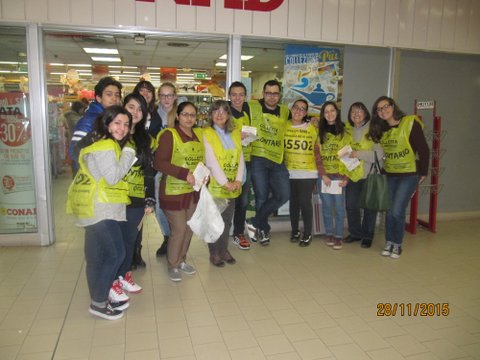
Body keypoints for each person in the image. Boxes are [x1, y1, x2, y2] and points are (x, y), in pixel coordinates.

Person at [66, 105, 135, 320]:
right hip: (100, 210)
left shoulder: (96, 144)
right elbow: (113, 176)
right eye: (117, 123)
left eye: (125, 124)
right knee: (116, 254)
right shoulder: (106, 145)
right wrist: (129, 154)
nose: (122, 128)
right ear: (106, 123)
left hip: (91, 208)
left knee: (96, 257)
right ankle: (99, 303)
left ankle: (98, 299)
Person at [107, 94, 155, 303]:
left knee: (130, 240)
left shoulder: (146, 139)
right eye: (131, 107)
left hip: (136, 198)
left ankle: (124, 274)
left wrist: (149, 197)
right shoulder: (115, 135)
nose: (135, 112)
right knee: (114, 244)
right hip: (114, 198)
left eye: (139, 109)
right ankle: (111, 281)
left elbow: (149, 171)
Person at [368, 96, 429, 259]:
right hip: (390, 174)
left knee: (397, 210)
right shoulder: (382, 130)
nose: (383, 110)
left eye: (385, 106)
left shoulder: (410, 123)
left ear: (393, 106)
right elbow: (385, 154)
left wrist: (423, 172)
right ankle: (389, 241)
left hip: (409, 174)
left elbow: (423, 149)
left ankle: (397, 243)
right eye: (379, 109)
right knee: (389, 210)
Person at [153, 102, 204, 282]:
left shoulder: (198, 136)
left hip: (192, 191)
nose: (189, 118)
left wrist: (204, 175)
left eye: (192, 115)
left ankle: (182, 260)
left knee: (189, 228)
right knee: (179, 229)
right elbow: (159, 163)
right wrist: (184, 174)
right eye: (185, 114)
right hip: (173, 191)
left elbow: (201, 162)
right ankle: (172, 264)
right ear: (177, 116)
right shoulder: (169, 135)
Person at [246, 79, 290, 246]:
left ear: (280, 95)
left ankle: (255, 220)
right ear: (263, 94)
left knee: (284, 195)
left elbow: (299, 122)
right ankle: (263, 230)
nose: (271, 97)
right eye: (268, 93)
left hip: (278, 160)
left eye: (275, 93)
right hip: (259, 158)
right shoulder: (252, 107)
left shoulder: (286, 112)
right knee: (261, 197)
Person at [203, 100, 244, 266]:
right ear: (211, 114)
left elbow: (240, 157)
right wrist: (225, 182)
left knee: (227, 220)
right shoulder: (206, 133)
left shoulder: (234, 133)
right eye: (216, 111)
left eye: (223, 111)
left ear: (228, 115)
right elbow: (211, 162)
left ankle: (223, 249)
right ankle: (214, 253)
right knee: (214, 221)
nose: (220, 114)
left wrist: (239, 180)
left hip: (232, 185)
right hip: (215, 185)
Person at [130, 80, 162, 268]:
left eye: (148, 91)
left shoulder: (156, 117)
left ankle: (137, 252)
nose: (145, 93)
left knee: (139, 214)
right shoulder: (126, 119)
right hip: (129, 172)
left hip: (147, 169)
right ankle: (129, 254)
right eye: (141, 90)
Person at [344, 102, 383, 249]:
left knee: (369, 208)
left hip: (370, 175)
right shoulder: (347, 130)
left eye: (360, 111)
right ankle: (355, 233)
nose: (356, 114)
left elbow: (379, 154)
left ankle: (368, 236)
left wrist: (358, 154)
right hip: (353, 174)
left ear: (366, 113)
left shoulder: (373, 128)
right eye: (353, 111)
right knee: (351, 205)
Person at [69, 76, 122, 176]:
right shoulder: (89, 120)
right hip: (91, 178)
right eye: (109, 94)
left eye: (117, 95)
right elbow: (74, 152)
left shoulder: (112, 118)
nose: (114, 98)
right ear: (98, 97)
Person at [284, 99, 319, 246]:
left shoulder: (312, 127)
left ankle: (307, 233)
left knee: (305, 202)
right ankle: (295, 230)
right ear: (291, 109)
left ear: (306, 113)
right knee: (294, 203)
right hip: (289, 171)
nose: (298, 111)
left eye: (302, 109)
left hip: (308, 172)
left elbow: (322, 144)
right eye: (296, 108)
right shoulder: (284, 126)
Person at [317, 101, 350, 250]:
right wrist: (323, 175)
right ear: (323, 115)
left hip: (339, 176)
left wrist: (346, 177)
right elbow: (316, 155)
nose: (330, 114)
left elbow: (350, 157)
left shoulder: (345, 132)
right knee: (327, 207)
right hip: (324, 176)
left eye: (332, 110)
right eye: (326, 112)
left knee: (339, 208)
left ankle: (338, 235)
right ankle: (329, 233)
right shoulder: (319, 132)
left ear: (337, 112)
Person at [154, 82, 178, 257]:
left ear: (175, 96)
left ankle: (177, 237)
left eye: (169, 95)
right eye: (162, 95)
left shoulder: (182, 114)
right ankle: (167, 237)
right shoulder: (153, 116)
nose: (166, 99)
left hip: (179, 168)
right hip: (159, 168)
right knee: (159, 205)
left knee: (176, 206)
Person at [228, 81, 252, 250]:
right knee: (227, 200)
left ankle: (238, 232)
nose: (237, 98)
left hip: (247, 161)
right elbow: (215, 133)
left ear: (245, 96)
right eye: (234, 94)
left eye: (241, 94)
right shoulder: (223, 111)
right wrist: (237, 135)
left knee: (242, 200)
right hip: (228, 163)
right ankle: (220, 233)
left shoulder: (250, 109)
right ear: (229, 96)